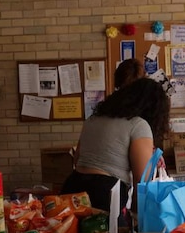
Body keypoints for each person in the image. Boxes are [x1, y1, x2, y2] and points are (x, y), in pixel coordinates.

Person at [61, 77, 170, 213]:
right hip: (104, 194)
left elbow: (77, 160)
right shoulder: (138, 125)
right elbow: (142, 182)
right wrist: (137, 215)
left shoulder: (92, 119)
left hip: (72, 188)